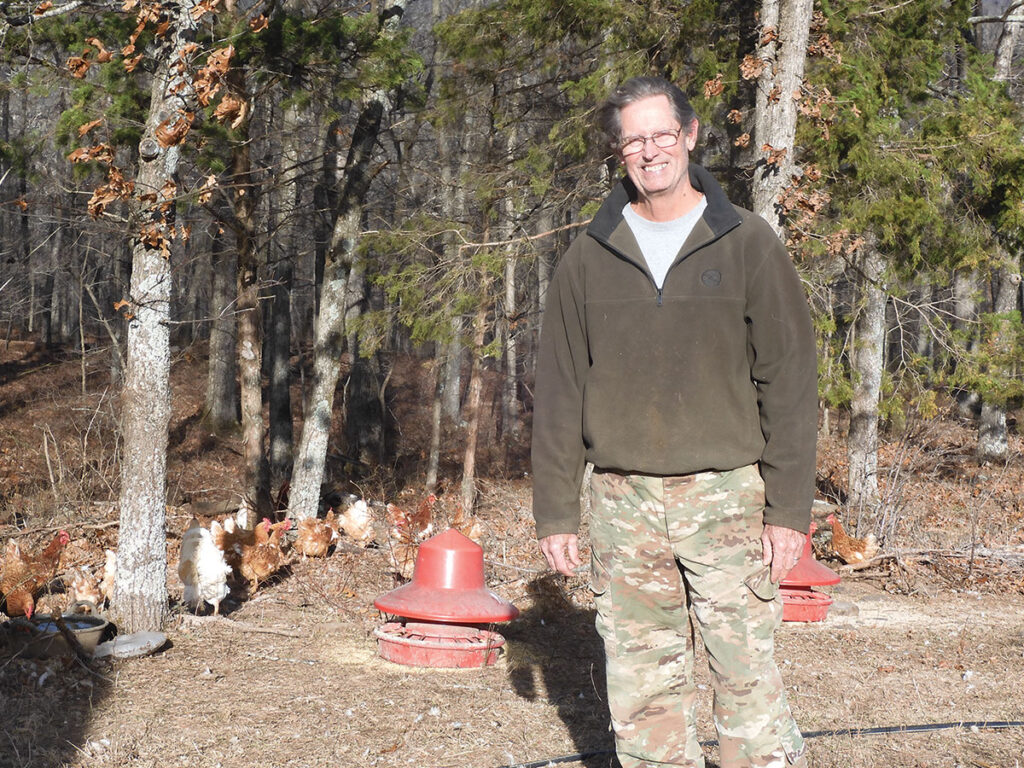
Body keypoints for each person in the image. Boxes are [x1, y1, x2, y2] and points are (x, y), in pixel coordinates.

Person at [530, 76, 817, 768]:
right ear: (618, 153)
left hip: (728, 498)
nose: (650, 150)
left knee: (746, 679)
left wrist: (788, 510)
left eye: (662, 134)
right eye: (633, 140)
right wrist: (556, 513)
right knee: (642, 692)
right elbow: (561, 387)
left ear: (689, 136)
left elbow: (789, 380)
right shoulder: (588, 256)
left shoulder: (747, 241)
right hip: (623, 505)